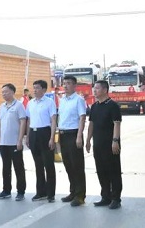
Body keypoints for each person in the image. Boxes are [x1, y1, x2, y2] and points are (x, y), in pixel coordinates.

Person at [86, 80, 122, 210]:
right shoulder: (94, 106)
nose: (94, 91)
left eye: (97, 88)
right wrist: (88, 140)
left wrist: (115, 141)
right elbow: (91, 124)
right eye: (94, 88)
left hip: (110, 144)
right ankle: (105, 196)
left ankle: (116, 198)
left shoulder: (113, 105)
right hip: (98, 144)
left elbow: (117, 124)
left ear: (105, 90)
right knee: (101, 170)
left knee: (113, 171)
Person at [57, 76, 87, 206]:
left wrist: (79, 136)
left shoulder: (78, 100)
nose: (65, 86)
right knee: (68, 165)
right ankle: (73, 191)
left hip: (74, 134)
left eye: (68, 83)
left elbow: (82, 118)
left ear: (75, 86)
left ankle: (80, 196)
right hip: (63, 134)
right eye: (64, 83)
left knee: (77, 166)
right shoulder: (62, 100)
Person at [26, 79, 57, 203]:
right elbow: (29, 120)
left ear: (44, 90)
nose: (35, 90)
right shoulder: (30, 103)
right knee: (38, 165)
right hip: (33, 133)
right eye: (34, 88)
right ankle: (40, 192)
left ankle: (50, 193)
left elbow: (53, 120)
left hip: (45, 133)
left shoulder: (49, 102)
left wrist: (52, 138)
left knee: (48, 164)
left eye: (37, 88)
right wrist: (27, 136)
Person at [0, 83, 27, 201]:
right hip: (3, 143)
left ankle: (21, 191)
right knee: (5, 168)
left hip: (14, 142)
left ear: (13, 92)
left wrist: (20, 140)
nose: (4, 94)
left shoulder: (18, 105)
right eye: (2, 92)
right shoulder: (2, 106)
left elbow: (23, 122)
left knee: (18, 167)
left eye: (6, 92)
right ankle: (6, 190)